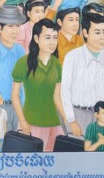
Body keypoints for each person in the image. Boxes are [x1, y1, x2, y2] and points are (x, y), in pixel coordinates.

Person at [61, 13, 104, 137]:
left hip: (103, 116)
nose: (103, 37)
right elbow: (65, 92)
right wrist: (71, 121)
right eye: (97, 33)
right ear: (85, 33)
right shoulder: (72, 57)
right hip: (80, 116)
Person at [11, 18, 66, 152]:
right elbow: (15, 96)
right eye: (47, 38)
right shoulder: (23, 63)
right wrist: (23, 121)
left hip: (54, 124)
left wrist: (67, 118)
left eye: (55, 37)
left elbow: (57, 95)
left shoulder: (57, 64)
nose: (52, 42)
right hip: (31, 123)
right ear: (36, 38)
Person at [0, 5, 27, 131]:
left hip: (16, 109)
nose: (15, 31)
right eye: (10, 26)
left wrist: (22, 112)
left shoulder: (20, 50)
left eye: (17, 26)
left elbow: (23, 85)